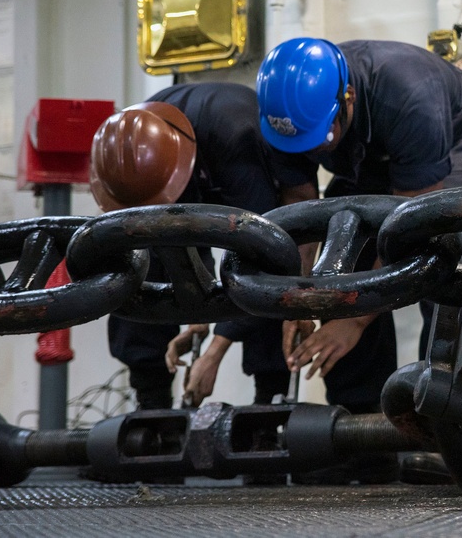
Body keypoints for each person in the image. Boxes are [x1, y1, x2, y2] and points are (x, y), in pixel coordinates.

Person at [256, 36, 462, 483]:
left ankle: (455, 429)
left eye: (324, 137)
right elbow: (302, 207)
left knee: (449, 260)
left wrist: (352, 320)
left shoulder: (409, 97)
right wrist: (301, 296)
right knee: (344, 262)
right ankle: (364, 436)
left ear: (346, 97)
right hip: (372, 155)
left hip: (459, 140)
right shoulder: (287, 121)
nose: (320, 150)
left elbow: (413, 235)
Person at [89, 86, 311, 413]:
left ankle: (269, 409)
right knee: (139, 265)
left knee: (272, 278)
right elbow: (180, 227)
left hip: (256, 195)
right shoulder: (125, 148)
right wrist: (195, 315)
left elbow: (256, 249)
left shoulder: (236, 139)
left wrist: (213, 354)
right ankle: (151, 408)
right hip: (199, 175)